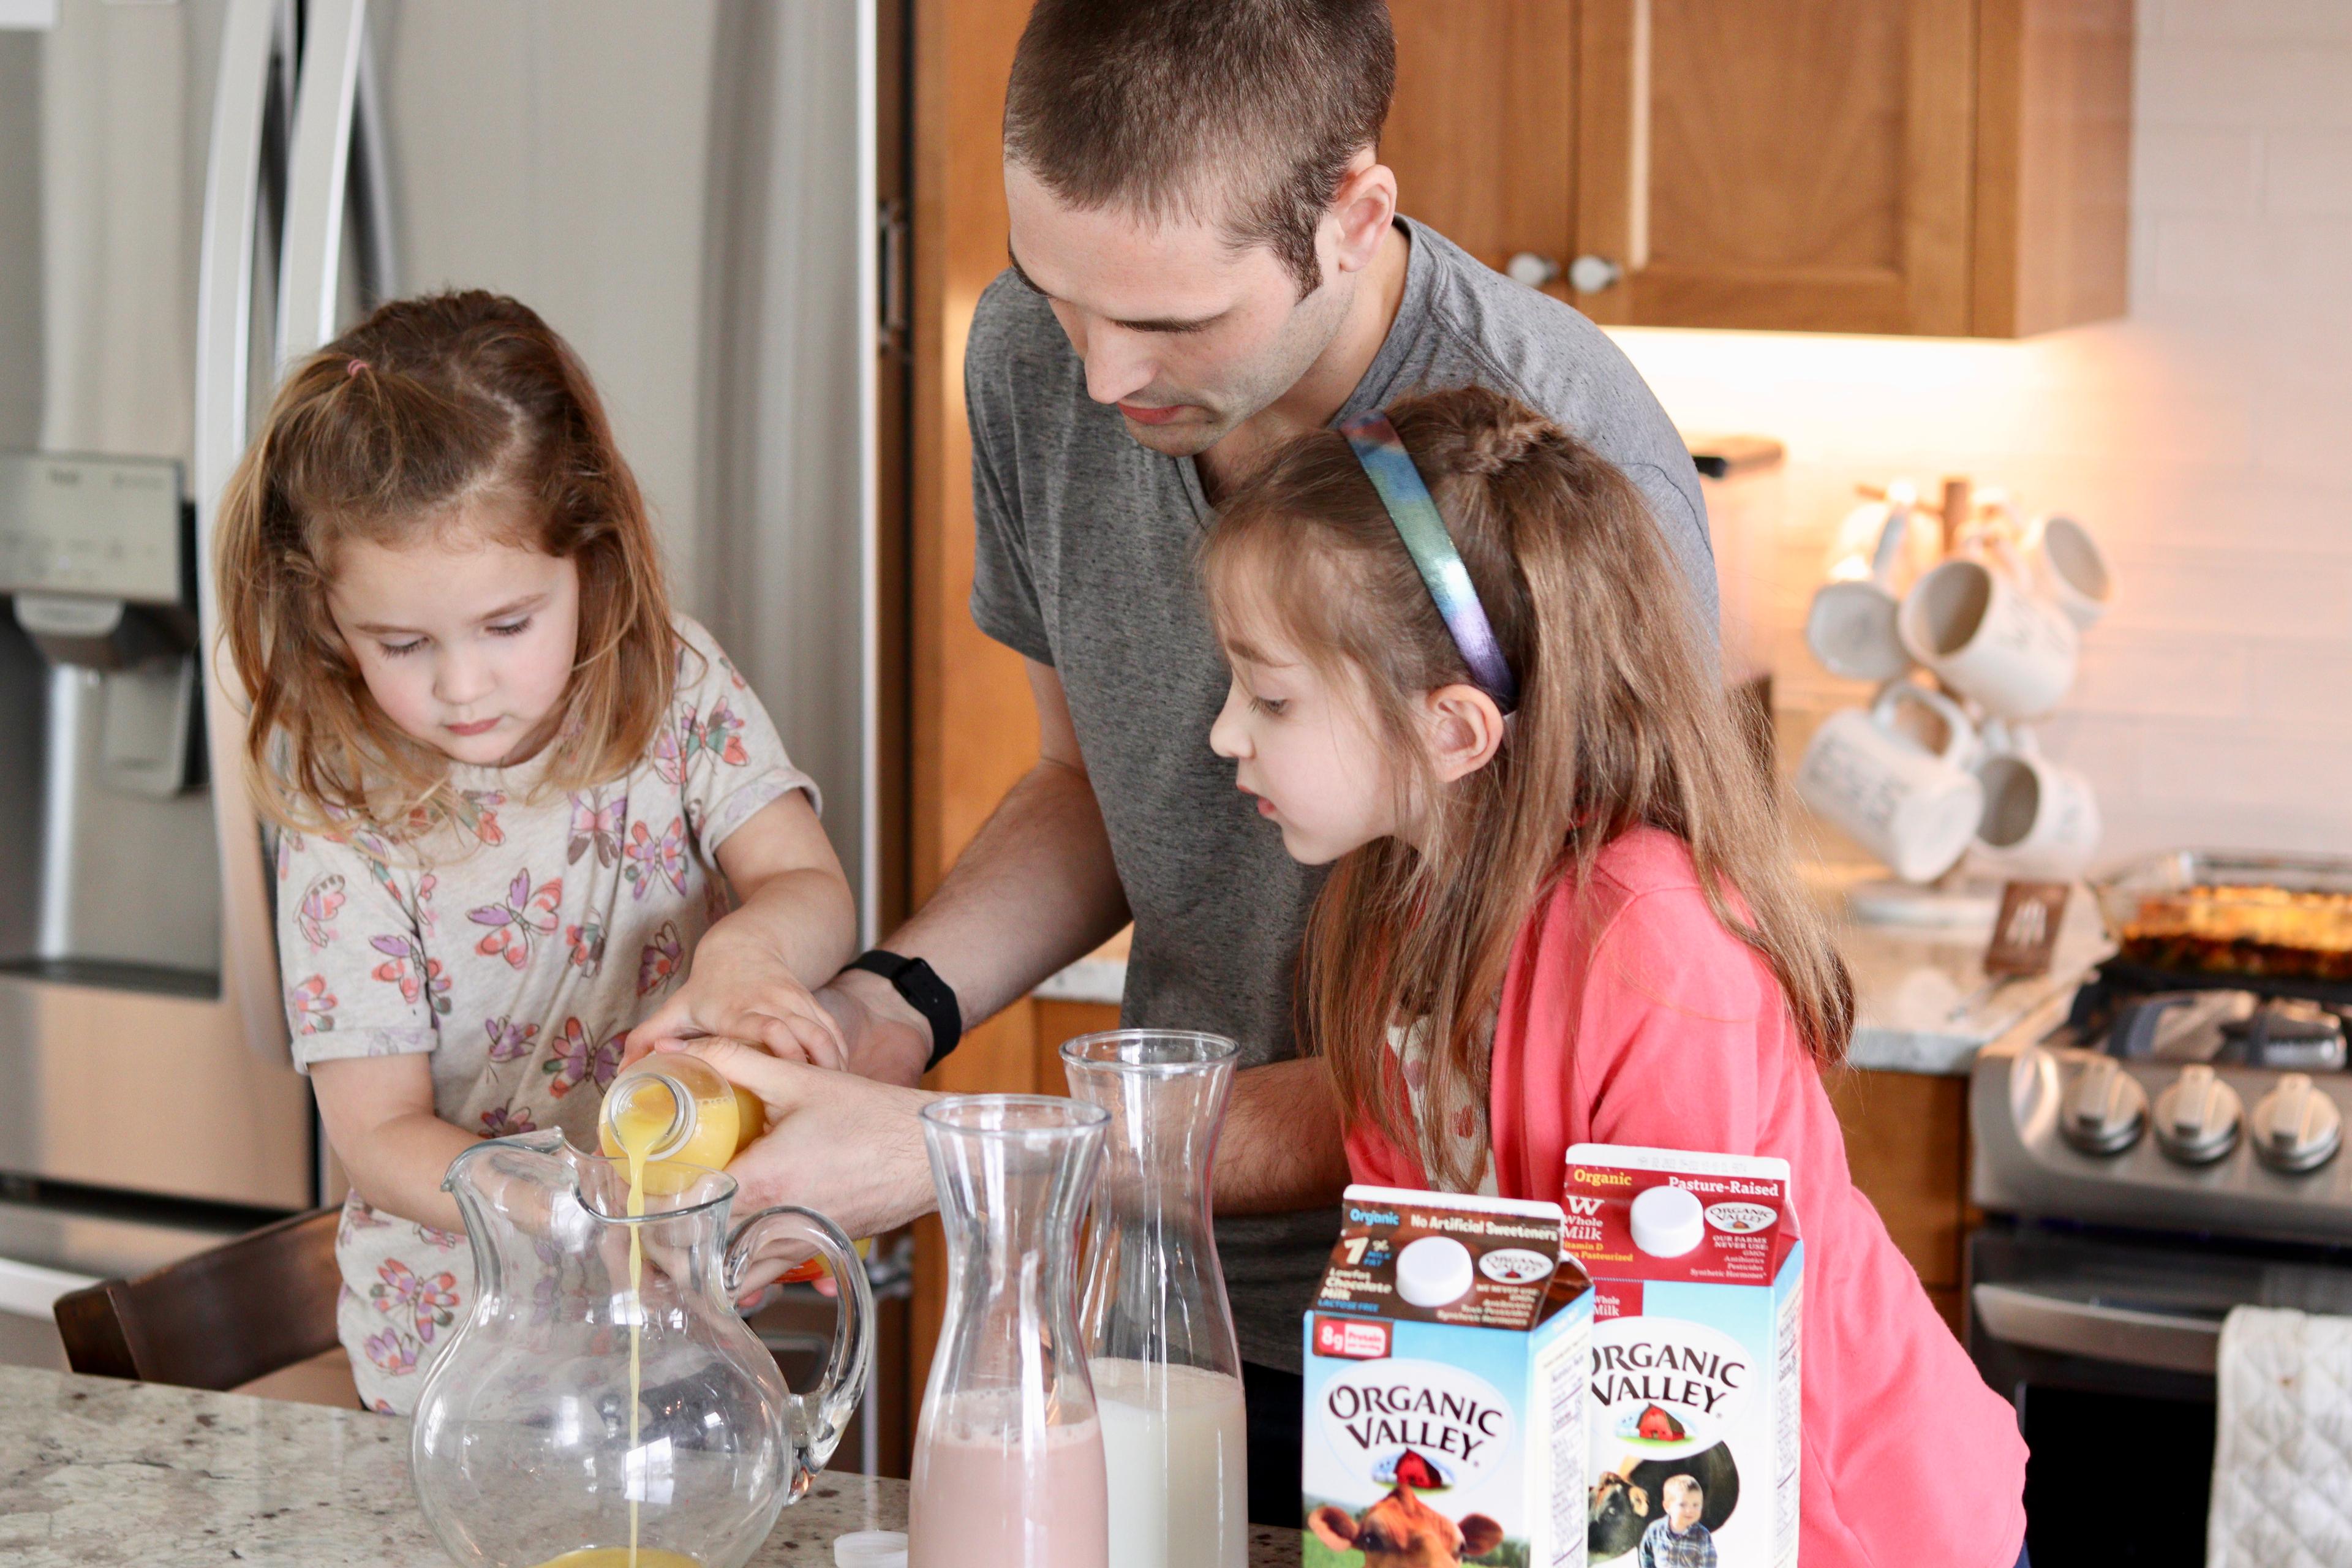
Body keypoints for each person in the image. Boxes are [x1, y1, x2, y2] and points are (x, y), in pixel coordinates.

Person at [627, 0, 1717, 1519]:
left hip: (1482, 1342)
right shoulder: (1036, 354)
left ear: (1349, 217)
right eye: (1052, 291)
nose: (1092, 377)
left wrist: (960, 1153)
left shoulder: (1561, 461)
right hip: (1172, 1288)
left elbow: (1497, 1069)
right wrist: (887, 1010)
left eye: (1169, 322)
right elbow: (1094, 782)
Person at [647, 386, 2027, 1566]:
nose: (1222, 734)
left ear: (1453, 726)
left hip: (1848, 1522)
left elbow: (1682, 1383)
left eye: (1273, 694)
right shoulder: (1398, 907)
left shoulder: (1658, 951)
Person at [214, 290, 855, 1413]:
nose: (462, 687)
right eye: (402, 644)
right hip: (458, 1361)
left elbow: (803, 882)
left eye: (508, 625)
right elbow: (378, 1137)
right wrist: (570, 1208)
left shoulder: (675, 689)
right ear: (326, 619)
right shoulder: (346, 814)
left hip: (683, 1311)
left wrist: (749, 958)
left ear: (591, 560)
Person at [1639, 1477, 1716, 1568]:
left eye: (1696, 1505)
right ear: (1667, 1506)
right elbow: (1646, 1555)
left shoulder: (1702, 1535)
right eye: (1683, 1505)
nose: (1690, 1510)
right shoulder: (1654, 1531)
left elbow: (1709, 1563)